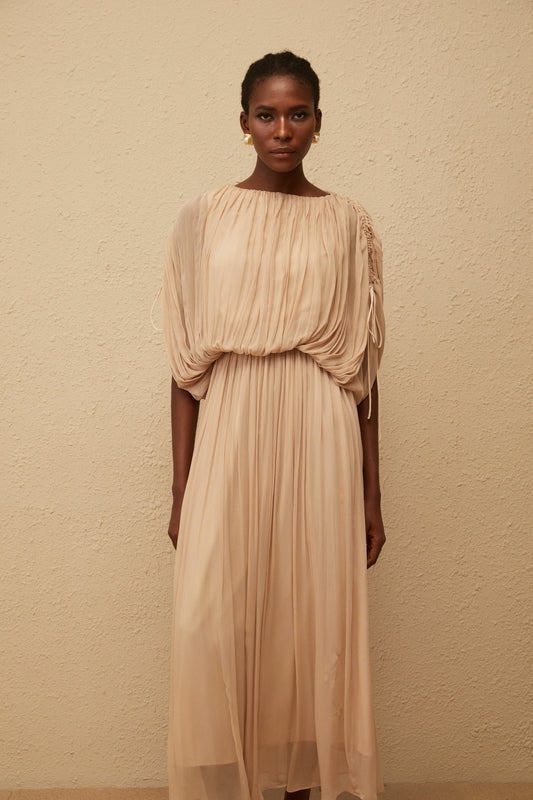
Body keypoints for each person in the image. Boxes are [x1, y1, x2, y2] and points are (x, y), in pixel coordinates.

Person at [161, 51, 386, 800]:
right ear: (244, 123)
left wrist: (372, 495)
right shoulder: (202, 216)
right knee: (212, 620)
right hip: (231, 425)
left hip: (321, 426)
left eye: (298, 114)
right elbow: (184, 364)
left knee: (308, 623)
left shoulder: (347, 221)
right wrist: (181, 489)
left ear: (319, 123)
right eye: (267, 114)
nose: (282, 130)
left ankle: (301, 788)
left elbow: (363, 369)